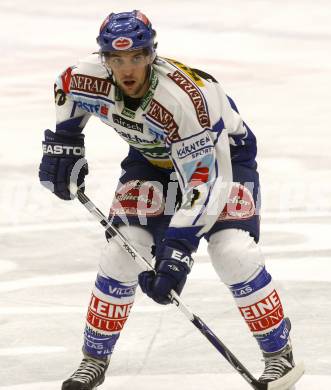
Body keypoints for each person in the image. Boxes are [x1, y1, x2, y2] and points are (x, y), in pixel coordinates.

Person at [39, 10, 297, 390]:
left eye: (137, 58)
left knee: (233, 252)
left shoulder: (184, 101)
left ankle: (279, 354)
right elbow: (67, 89)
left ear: (152, 54)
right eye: (117, 59)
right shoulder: (85, 75)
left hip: (222, 159)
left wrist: (177, 254)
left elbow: (204, 186)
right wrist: (66, 142)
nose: (127, 69)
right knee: (122, 253)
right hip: (153, 159)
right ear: (104, 59)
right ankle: (93, 358)